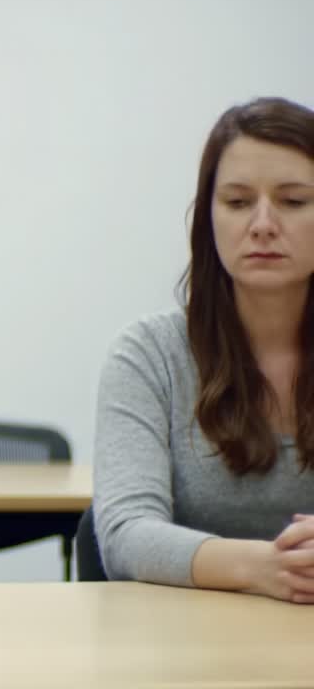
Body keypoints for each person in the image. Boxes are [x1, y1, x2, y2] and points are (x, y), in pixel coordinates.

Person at [94, 97, 314, 603]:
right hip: (185, 642)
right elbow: (126, 533)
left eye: (293, 201)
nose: (262, 224)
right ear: (208, 219)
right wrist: (266, 568)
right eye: (237, 202)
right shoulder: (148, 355)